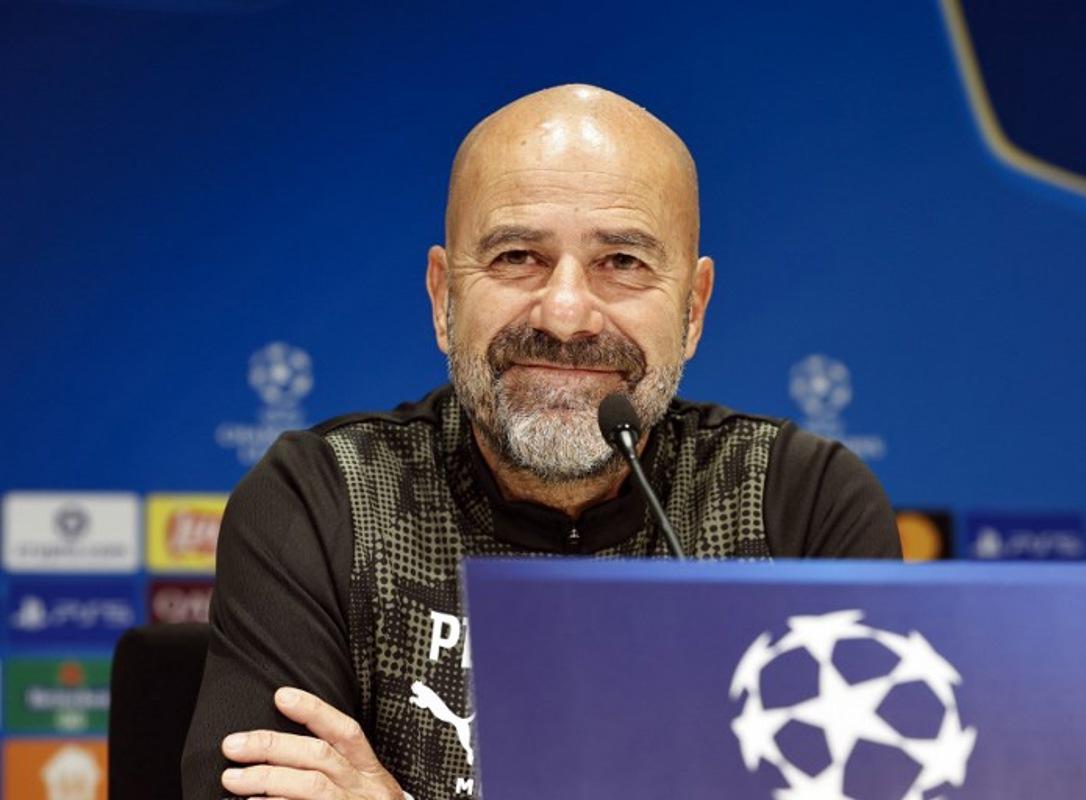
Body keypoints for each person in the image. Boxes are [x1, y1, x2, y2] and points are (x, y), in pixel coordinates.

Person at [182, 83, 900, 800]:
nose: (564, 314)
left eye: (622, 262)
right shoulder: (322, 498)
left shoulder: (799, 504)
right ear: (443, 297)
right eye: (518, 255)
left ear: (692, 310)